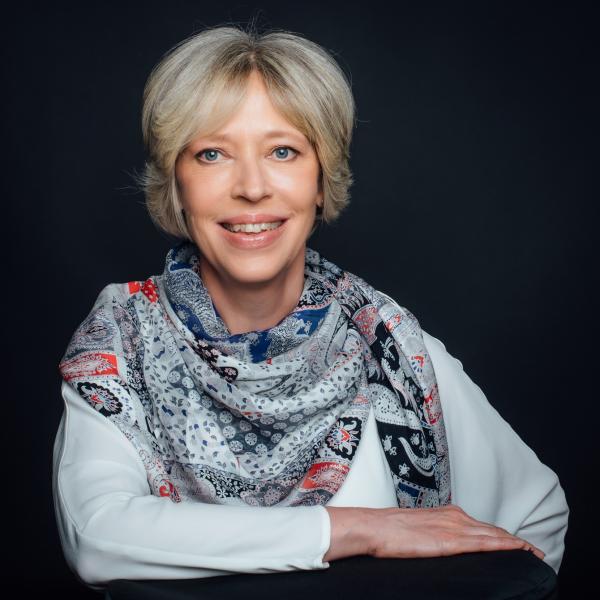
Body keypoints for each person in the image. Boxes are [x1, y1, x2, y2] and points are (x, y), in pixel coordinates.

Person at [52, 24, 569, 592]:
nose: (252, 187)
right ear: (177, 184)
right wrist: (359, 530)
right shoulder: (121, 339)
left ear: (321, 179)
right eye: (212, 153)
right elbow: (96, 537)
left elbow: (536, 517)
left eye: (283, 151)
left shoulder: (389, 349)